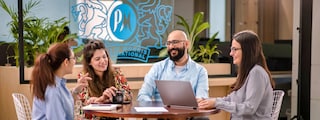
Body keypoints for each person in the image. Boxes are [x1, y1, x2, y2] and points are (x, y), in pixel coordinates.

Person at [198, 30, 276, 120]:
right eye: (231, 49)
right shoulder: (245, 72)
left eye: (235, 49)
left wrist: (217, 103)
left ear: (247, 51)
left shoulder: (256, 73)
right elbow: (232, 99)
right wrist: (208, 101)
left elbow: (249, 108)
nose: (231, 53)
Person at [137, 30, 209, 102]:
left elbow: (202, 99)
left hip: (188, 112)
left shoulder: (200, 71)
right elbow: (143, 95)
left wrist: (199, 101)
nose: (171, 46)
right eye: (168, 43)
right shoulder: (157, 68)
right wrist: (154, 108)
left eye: (175, 42)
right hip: (161, 112)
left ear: (186, 44)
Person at [72, 40, 132, 119]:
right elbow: (85, 103)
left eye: (104, 57)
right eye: (97, 59)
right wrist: (101, 99)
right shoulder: (84, 76)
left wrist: (114, 96)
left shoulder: (116, 73)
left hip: (115, 117)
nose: (103, 61)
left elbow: (129, 94)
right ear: (89, 62)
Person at [31, 43, 76, 119]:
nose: (75, 61)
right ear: (66, 62)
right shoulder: (53, 89)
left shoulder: (57, 84)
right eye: (73, 58)